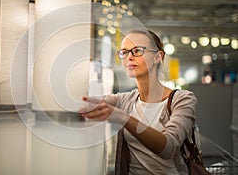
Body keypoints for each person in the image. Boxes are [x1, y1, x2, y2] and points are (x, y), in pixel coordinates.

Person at [80, 29, 197, 175]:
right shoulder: (126, 100)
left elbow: (168, 147)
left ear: (158, 57)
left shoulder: (182, 100)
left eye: (137, 51)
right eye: (124, 52)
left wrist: (123, 117)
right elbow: (89, 104)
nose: (129, 57)